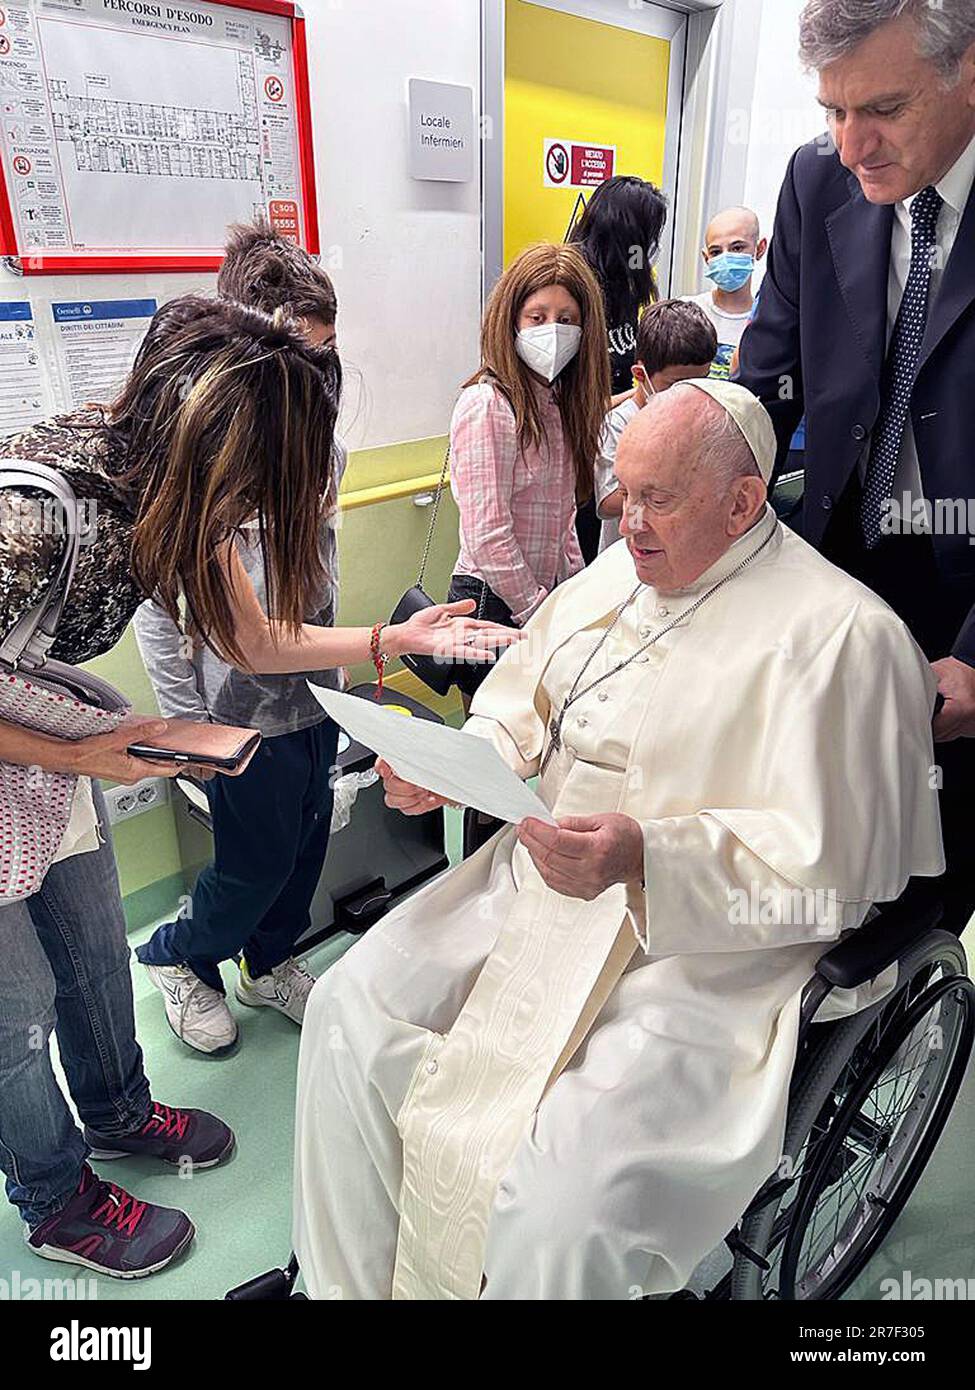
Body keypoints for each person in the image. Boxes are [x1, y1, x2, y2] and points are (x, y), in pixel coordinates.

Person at [291, 379, 943, 1301]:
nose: (628, 524)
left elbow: (834, 878)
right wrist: (456, 760)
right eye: (622, 495)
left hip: (699, 951)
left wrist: (650, 857)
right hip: (532, 887)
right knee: (347, 1015)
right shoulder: (615, 574)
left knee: (563, 1202)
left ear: (741, 502)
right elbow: (520, 703)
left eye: (658, 499)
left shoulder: (845, 638)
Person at [0, 297, 519, 1280]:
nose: (264, 507)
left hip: (47, 746)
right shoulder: (33, 512)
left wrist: (391, 640)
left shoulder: (173, 495)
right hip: (44, 747)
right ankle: (54, 1199)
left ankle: (117, 1115)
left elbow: (251, 638)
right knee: (15, 1006)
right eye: (260, 475)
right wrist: (91, 755)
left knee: (94, 948)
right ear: (210, 437)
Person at [734, 0, 975, 937]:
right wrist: (695, 480)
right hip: (834, 554)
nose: (850, 144)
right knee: (811, 801)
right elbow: (766, 379)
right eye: (830, 109)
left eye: (879, 107)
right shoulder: (815, 184)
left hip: (959, 585)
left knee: (932, 839)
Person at [134, 221, 349, 1053]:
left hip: (312, 697)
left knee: (302, 853)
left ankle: (269, 964)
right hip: (235, 709)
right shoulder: (198, 452)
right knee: (250, 866)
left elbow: (318, 573)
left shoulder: (319, 438)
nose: (317, 377)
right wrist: (187, 726)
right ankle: (173, 956)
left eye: (326, 356)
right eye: (301, 357)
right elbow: (162, 611)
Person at [446, 242, 610, 708]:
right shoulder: (488, 405)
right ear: (512, 321)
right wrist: (537, 610)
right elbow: (488, 536)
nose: (553, 331)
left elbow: (561, 522)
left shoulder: (559, 404)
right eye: (537, 317)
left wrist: (574, 593)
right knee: (496, 741)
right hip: (494, 603)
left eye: (566, 318)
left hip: (540, 599)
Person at [567, 174, 669, 561]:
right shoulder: (576, 288)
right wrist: (645, 394)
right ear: (626, 231)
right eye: (648, 233)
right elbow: (570, 402)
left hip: (616, 445)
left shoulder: (625, 286)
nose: (652, 245)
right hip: (578, 457)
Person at [594, 299, 716, 551]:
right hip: (626, 557)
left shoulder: (701, 418)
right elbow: (606, 503)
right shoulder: (620, 424)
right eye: (676, 385)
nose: (687, 395)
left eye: (700, 382)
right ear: (641, 376)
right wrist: (669, 485)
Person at [682, 205, 767, 380]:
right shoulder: (685, 313)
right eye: (716, 252)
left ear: (759, 249)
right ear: (707, 258)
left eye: (737, 248)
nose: (725, 257)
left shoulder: (767, 321)